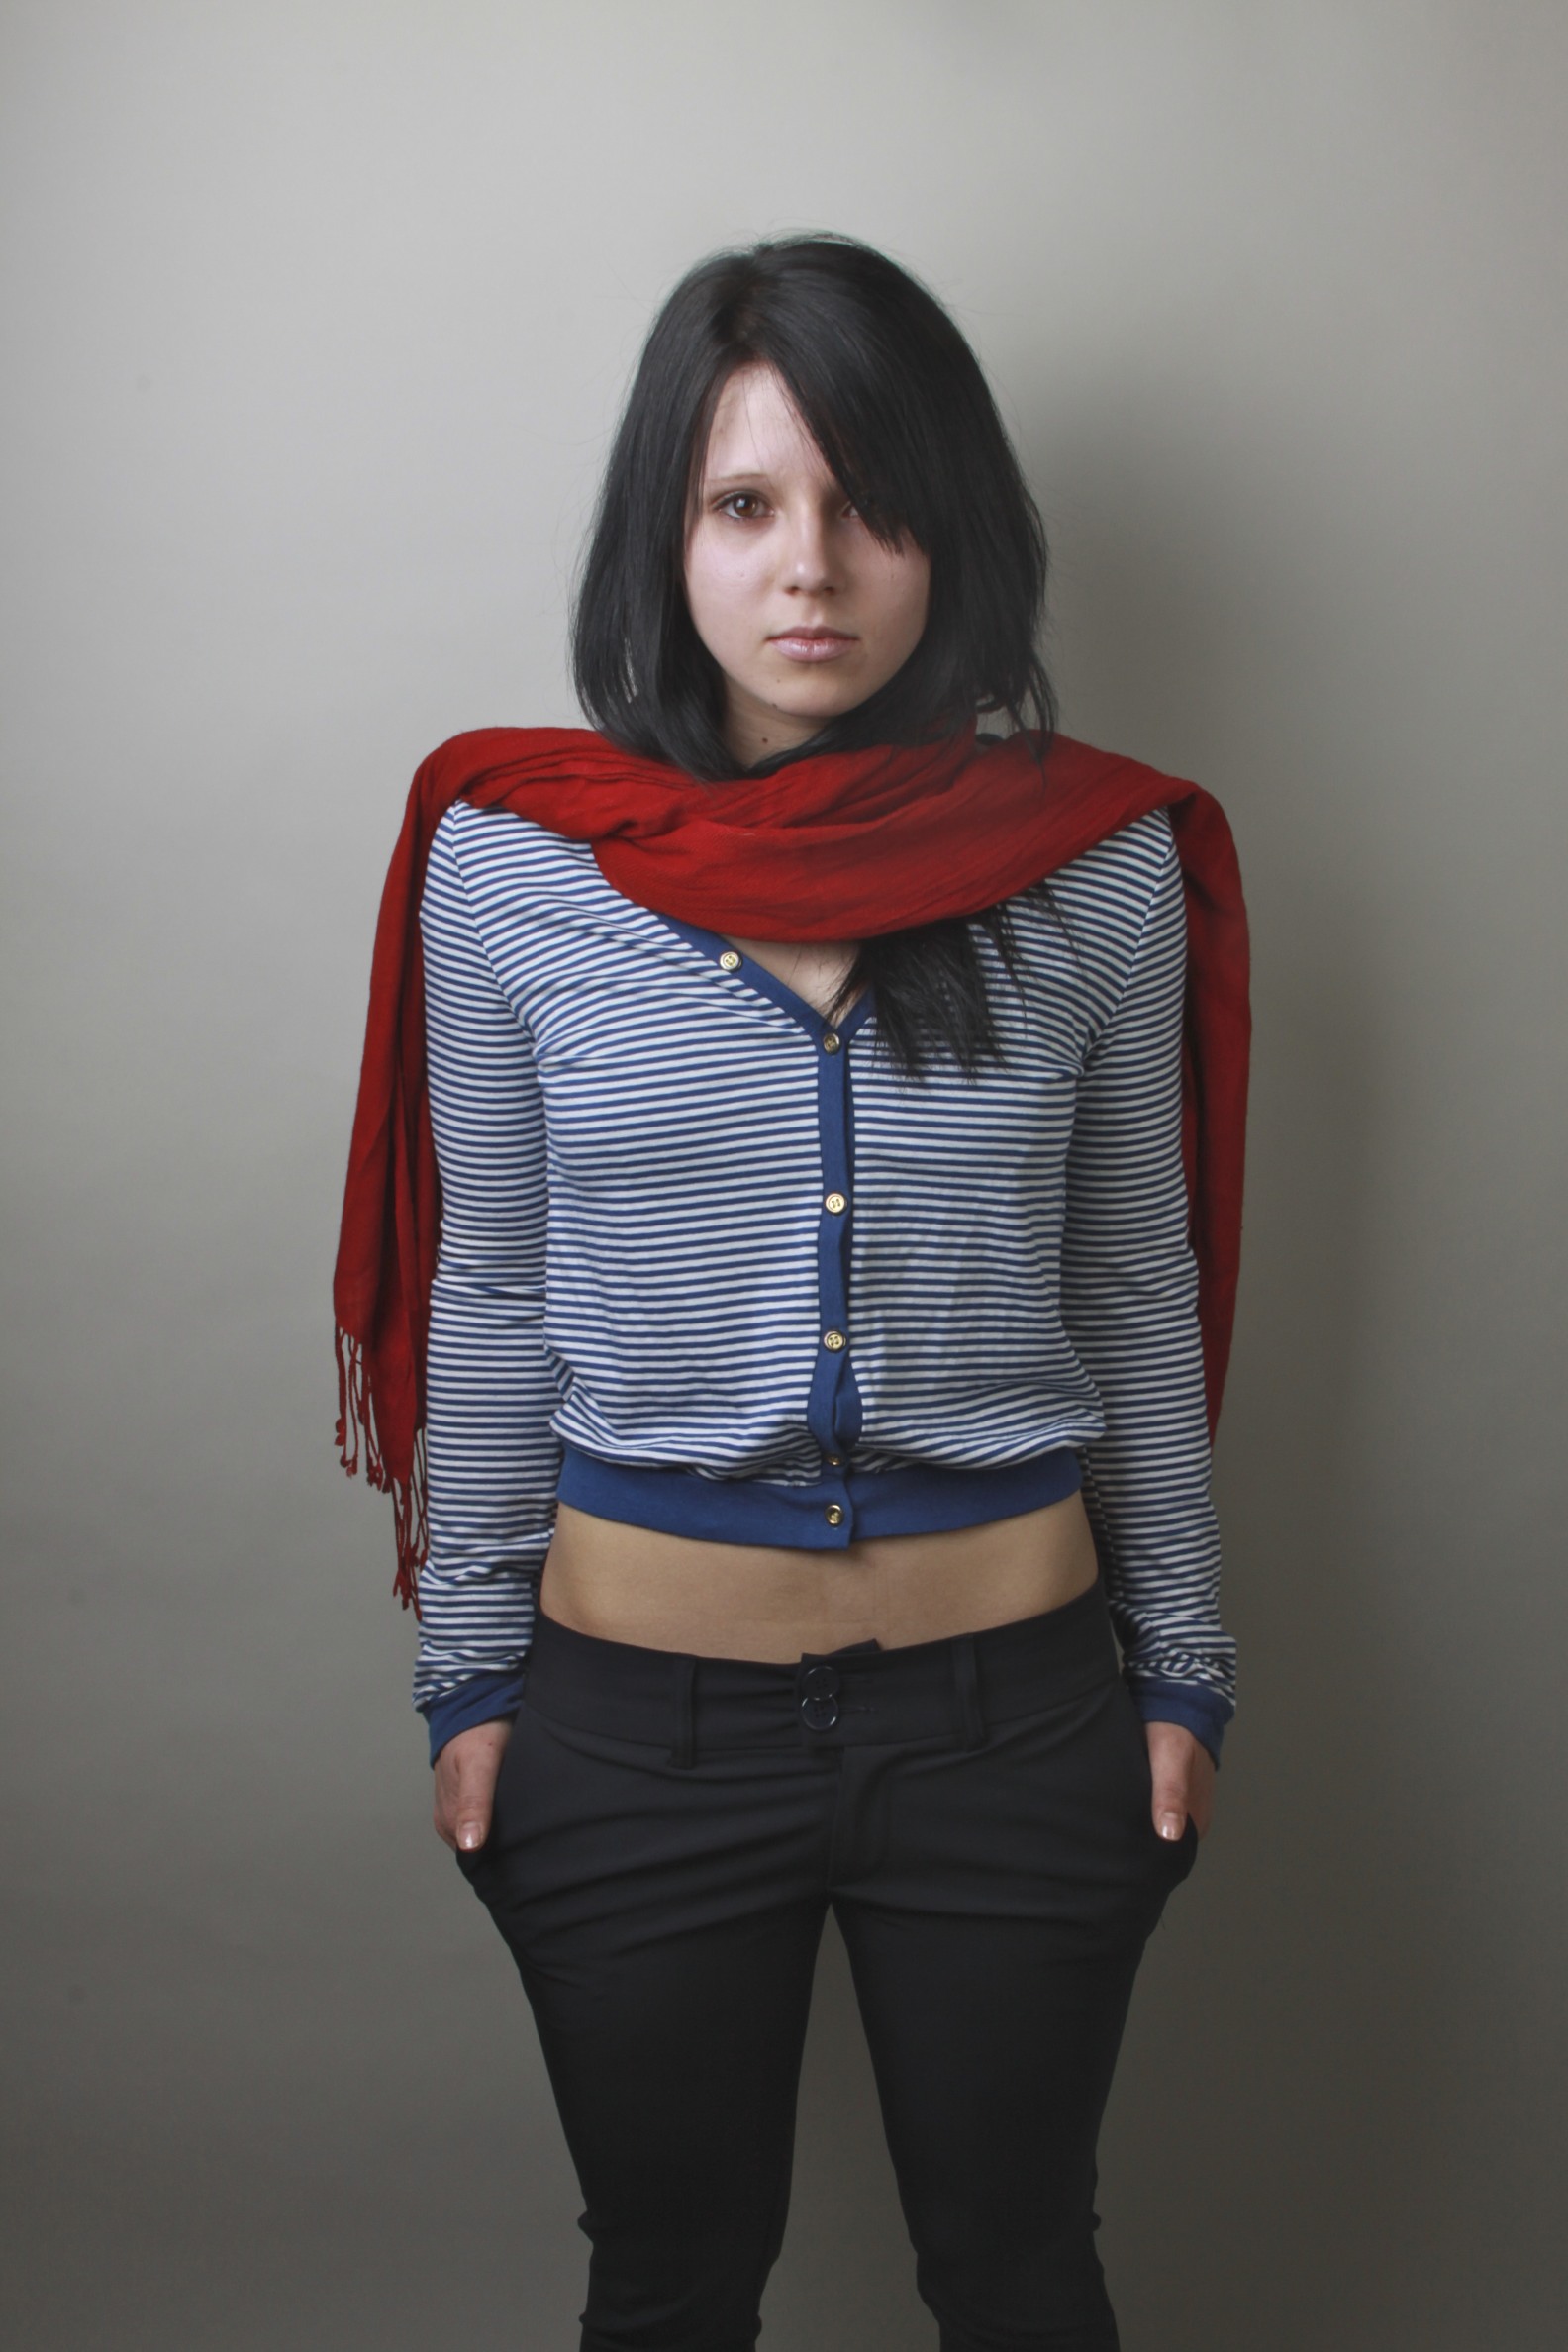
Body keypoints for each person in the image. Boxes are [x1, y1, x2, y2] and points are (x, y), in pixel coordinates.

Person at [333, 233, 1249, 2352]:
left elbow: (1134, 1284)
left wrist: (1184, 1676)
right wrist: (468, 1689)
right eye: (745, 503)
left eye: (870, 500)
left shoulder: (1096, 862)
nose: (809, 566)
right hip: (627, 1731)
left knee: (1021, 2282)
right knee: (670, 2293)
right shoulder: (511, 858)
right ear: (667, 539)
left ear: (955, 533)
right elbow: (495, 1287)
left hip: (1022, 1721)